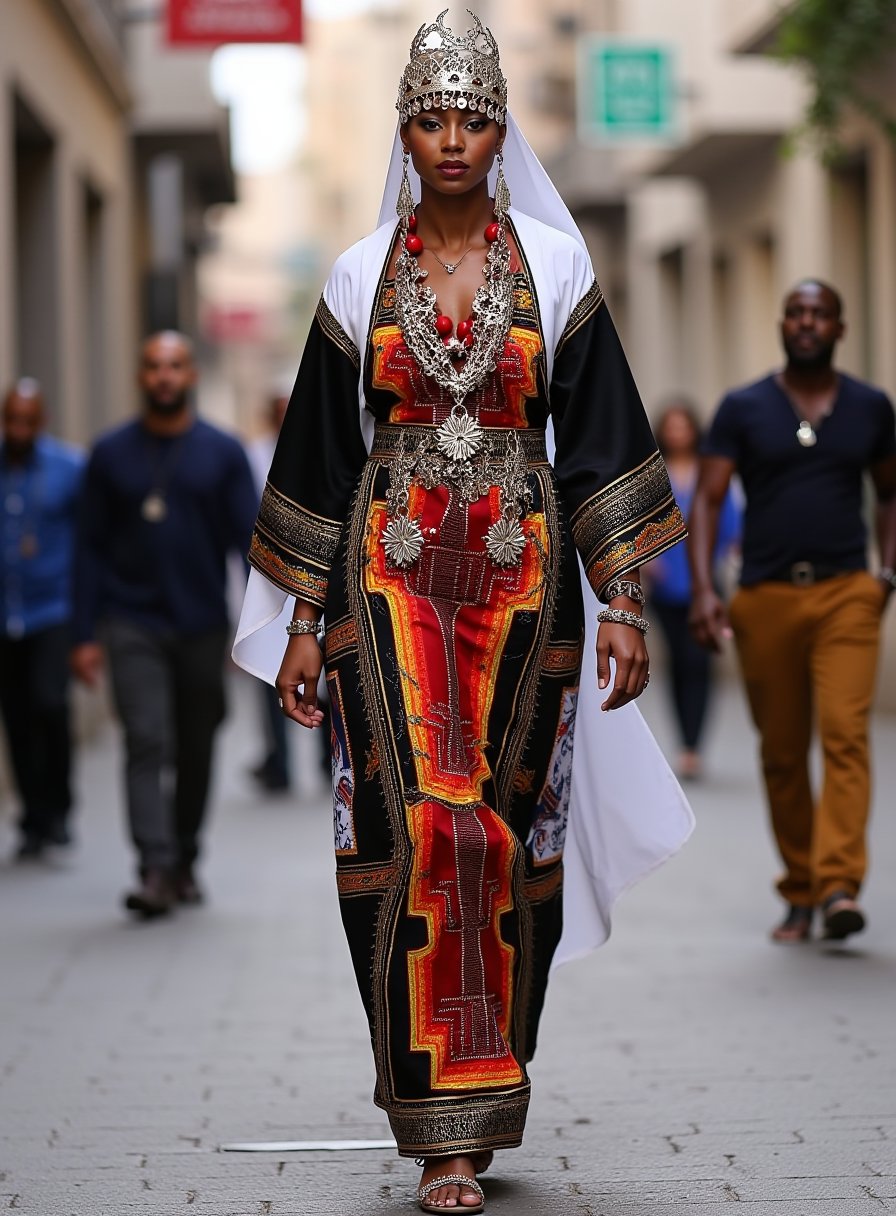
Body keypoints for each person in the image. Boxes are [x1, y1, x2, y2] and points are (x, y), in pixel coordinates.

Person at [233, 13, 693, 1212]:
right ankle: (435, 1120)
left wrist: (627, 602)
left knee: (500, 829)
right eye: (430, 117)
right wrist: (295, 623)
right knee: (406, 826)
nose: (451, 137)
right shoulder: (351, 272)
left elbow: (595, 448)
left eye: (472, 116)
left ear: (499, 129)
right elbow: (325, 457)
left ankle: (488, 1086)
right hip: (380, 589)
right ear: (403, 129)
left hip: (522, 587)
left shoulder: (555, 262)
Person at [689, 280, 896, 944]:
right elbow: (709, 501)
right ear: (783, 325)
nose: (807, 324)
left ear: (839, 329)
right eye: (797, 313)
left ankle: (838, 885)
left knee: (845, 734)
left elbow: (890, 494)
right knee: (781, 752)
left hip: (846, 595)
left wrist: (884, 575)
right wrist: (703, 590)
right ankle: (800, 889)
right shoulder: (744, 407)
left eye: (820, 315)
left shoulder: (870, 408)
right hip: (766, 597)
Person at [70, 332, 258, 917]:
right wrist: (82, 635)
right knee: (147, 737)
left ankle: (183, 859)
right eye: (154, 367)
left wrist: (274, 625)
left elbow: (250, 545)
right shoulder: (110, 454)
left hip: (201, 622)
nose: (164, 377)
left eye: (175, 366)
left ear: (191, 376)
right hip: (131, 622)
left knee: (197, 744)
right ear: (140, 377)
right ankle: (153, 865)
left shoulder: (222, 453)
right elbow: (88, 549)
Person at [0, 379, 84, 859]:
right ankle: (32, 817)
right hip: (5, 613)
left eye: (27, 421)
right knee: (15, 715)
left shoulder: (68, 468)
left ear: (41, 421)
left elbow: (89, 543)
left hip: (52, 609)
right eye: (11, 420)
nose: (18, 429)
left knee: (49, 704)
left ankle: (58, 808)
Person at [646, 400, 740, 780]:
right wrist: (645, 559)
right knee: (679, 662)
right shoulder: (653, 473)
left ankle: (693, 747)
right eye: (672, 426)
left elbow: (730, 519)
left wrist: (734, 551)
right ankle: (684, 740)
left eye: (684, 425)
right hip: (666, 585)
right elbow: (641, 520)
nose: (678, 433)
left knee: (700, 662)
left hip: (705, 586)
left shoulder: (710, 470)